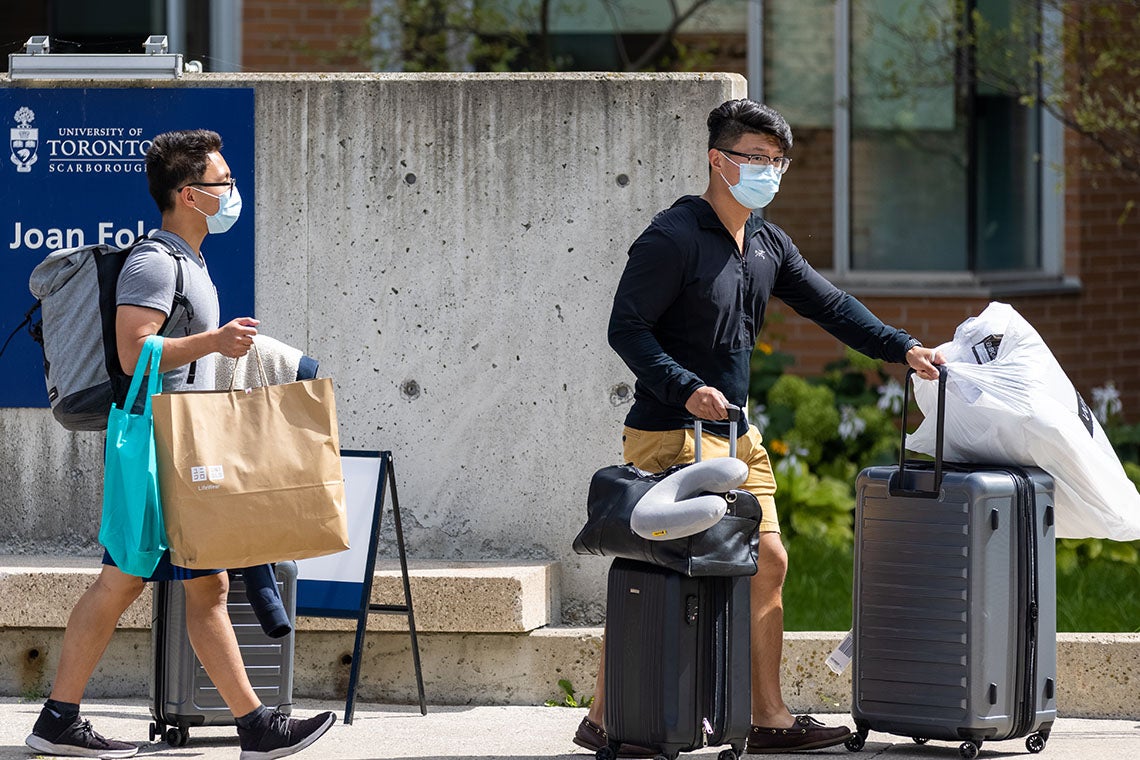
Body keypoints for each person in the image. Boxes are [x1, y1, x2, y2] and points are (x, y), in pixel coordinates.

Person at [574, 99, 944, 756]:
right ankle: (607, 716)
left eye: (777, 162)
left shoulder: (768, 242)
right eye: (755, 158)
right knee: (661, 575)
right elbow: (625, 328)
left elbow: (831, 306)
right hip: (668, 436)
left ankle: (767, 717)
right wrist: (685, 387)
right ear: (718, 160)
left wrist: (902, 346)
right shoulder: (673, 238)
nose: (768, 171)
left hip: (737, 439)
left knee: (766, 561)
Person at [25, 129, 336, 760]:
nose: (232, 193)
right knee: (130, 581)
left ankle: (68, 719)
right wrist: (214, 343)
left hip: (180, 442)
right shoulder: (156, 261)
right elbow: (133, 348)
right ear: (189, 194)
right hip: (155, 444)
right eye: (223, 183)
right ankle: (249, 727)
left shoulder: (189, 262)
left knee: (190, 584)